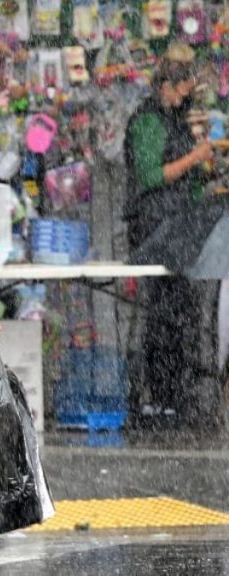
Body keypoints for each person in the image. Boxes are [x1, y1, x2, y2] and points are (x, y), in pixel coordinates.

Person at [124, 43, 213, 424]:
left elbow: (186, 179)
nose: (183, 99)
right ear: (165, 86)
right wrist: (195, 158)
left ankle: (177, 394)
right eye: (180, 91)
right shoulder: (147, 121)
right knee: (164, 313)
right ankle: (160, 394)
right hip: (155, 227)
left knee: (182, 312)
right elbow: (151, 176)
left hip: (178, 225)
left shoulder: (176, 119)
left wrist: (204, 177)